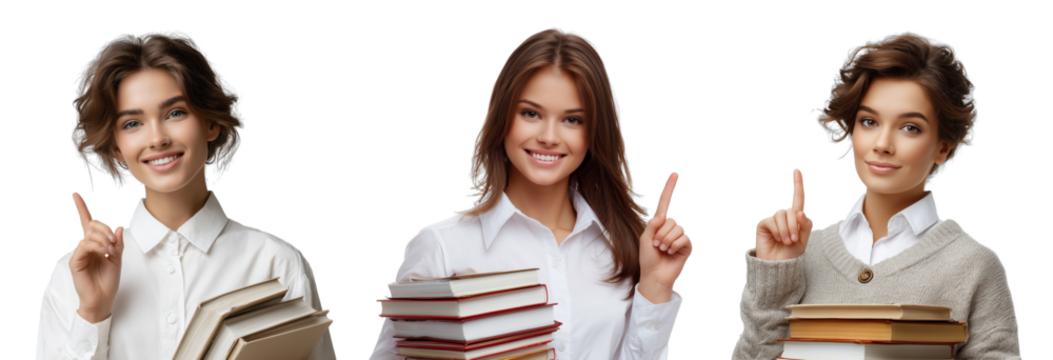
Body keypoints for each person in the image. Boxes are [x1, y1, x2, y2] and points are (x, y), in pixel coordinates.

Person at [368, 28, 693, 360]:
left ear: (593, 132)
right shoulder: (443, 248)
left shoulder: (626, 248)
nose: (549, 137)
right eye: (531, 113)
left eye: (572, 119)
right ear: (504, 118)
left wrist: (655, 286)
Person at [36, 32, 338, 359]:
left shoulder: (276, 263)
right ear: (116, 147)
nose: (157, 138)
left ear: (210, 123)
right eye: (133, 123)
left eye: (175, 113)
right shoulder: (72, 275)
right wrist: (93, 314)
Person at [731, 32, 1021, 359]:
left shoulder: (974, 266)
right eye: (869, 121)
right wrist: (776, 274)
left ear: (943, 147)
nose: (882, 144)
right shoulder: (803, 252)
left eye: (910, 127)